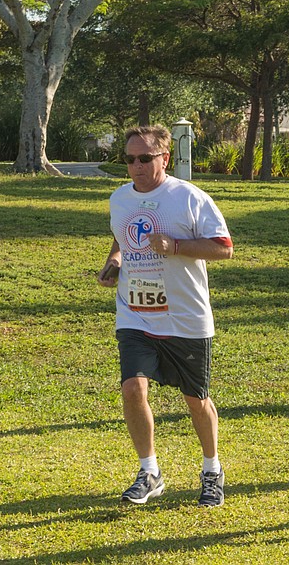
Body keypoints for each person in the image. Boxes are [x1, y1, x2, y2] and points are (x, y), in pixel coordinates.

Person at [97, 124, 234, 506]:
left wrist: (174, 246)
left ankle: (211, 469)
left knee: (197, 400)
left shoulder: (189, 197)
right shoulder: (120, 199)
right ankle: (150, 472)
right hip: (136, 314)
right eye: (129, 159)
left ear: (165, 158)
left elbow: (224, 248)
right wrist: (114, 260)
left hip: (185, 317)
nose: (136, 166)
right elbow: (123, 237)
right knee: (132, 389)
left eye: (145, 158)